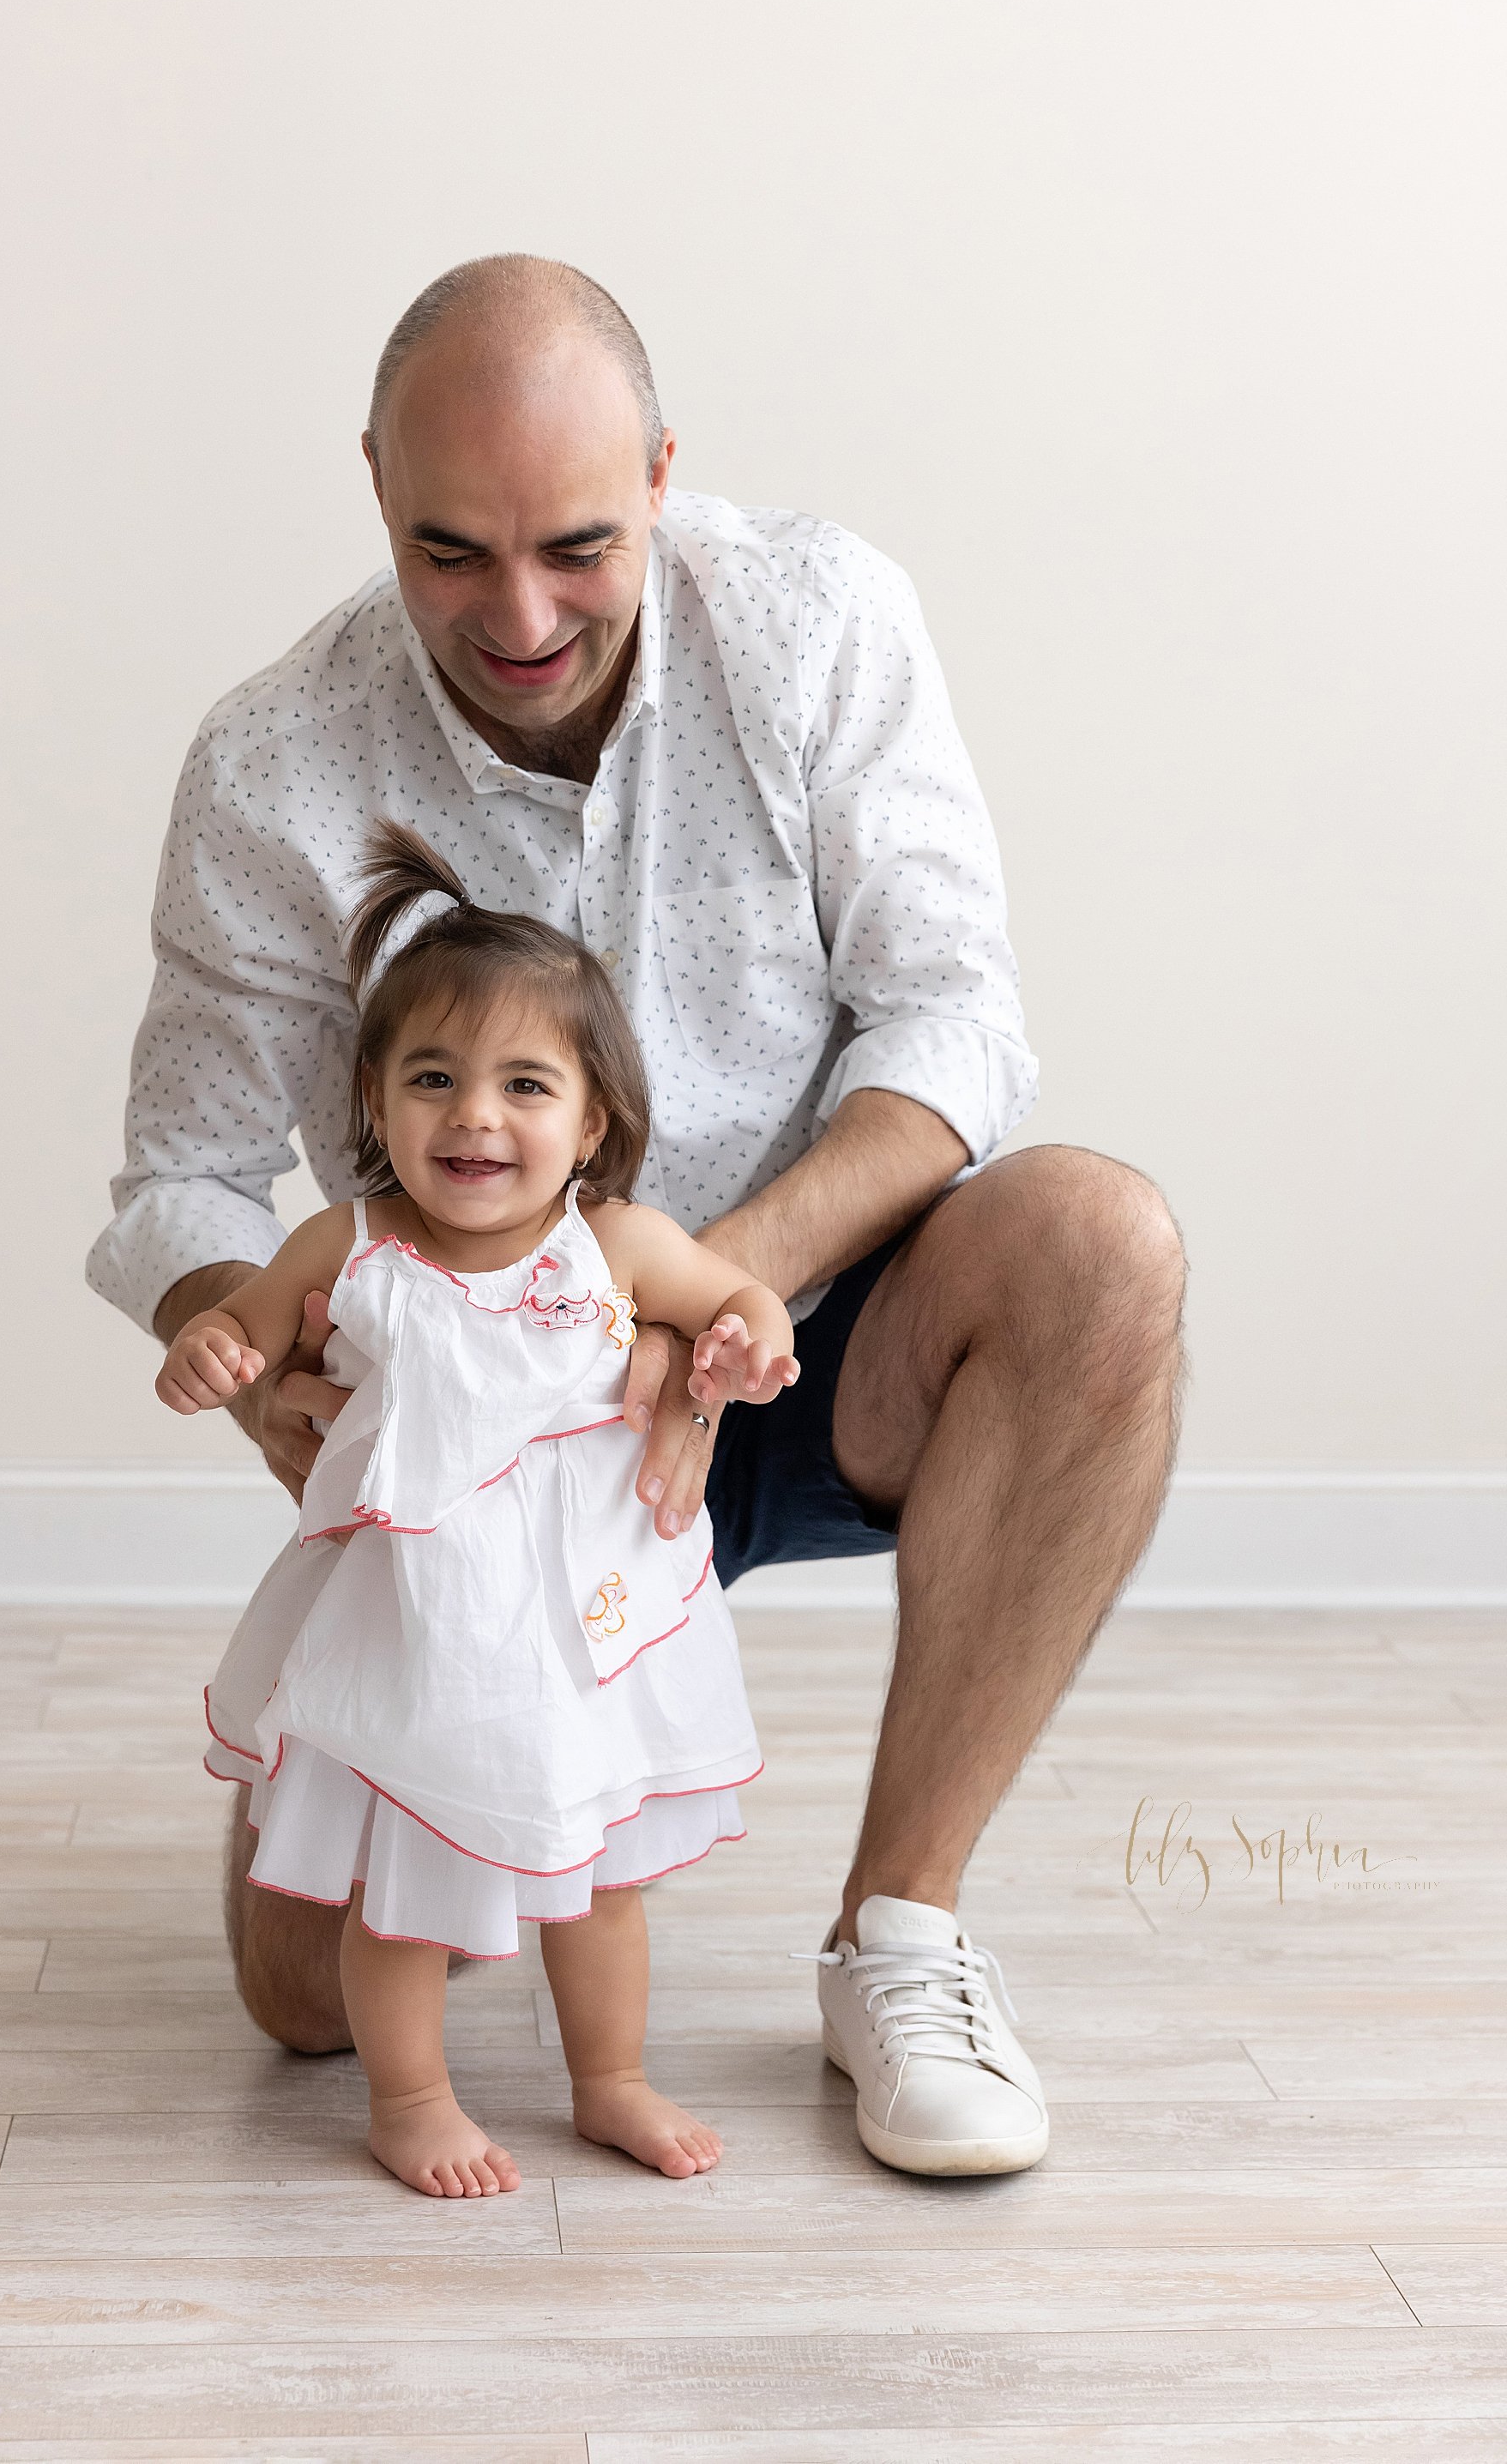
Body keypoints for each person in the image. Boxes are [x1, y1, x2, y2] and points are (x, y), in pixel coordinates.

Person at [89, 251, 1187, 2180]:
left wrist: (704, 1297)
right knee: (293, 2013)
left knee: (1103, 1240)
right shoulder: (270, 758)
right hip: (474, 1461)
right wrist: (254, 1351)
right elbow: (181, 1171)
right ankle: (453, 1835)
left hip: (798, 1332)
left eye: (576, 545)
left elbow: (954, 1009)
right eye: (450, 551)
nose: (516, 614)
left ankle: (902, 1930)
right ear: (370, 484)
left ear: (666, 470)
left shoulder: (816, 617)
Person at [156, 824, 798, 2196]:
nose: (475, 1117)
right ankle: (414, 2095)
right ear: (375, 1103)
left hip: (581, 1632)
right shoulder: (355, 1240)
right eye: (432, 1080)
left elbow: (731, 1299)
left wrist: (744, 1339)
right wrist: (217, 1349)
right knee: (407, 1878)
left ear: (593, 1122)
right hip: (421, 1634)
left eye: (524, 1084)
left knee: (604, 1875)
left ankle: (610, 2077)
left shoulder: (614, 1245)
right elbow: (250, 1329)